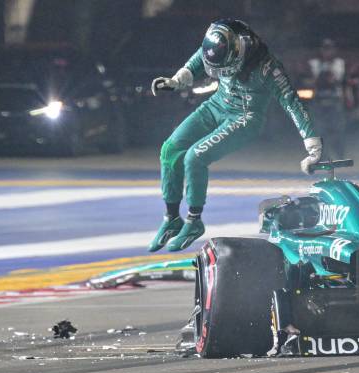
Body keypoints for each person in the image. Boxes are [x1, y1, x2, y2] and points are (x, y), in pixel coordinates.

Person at [148, 19, 321, 252]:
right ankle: (171, 218)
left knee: (194, 157)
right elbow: (200, 58)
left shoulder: (268, 67)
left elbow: (291, 102)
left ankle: (193, 220)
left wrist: (312, 146)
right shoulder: (221, 42)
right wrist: (176, 81)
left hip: (245, 117)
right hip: (216, 104)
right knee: (170, 149)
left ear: (239, 52)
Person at [307, 38, 347, 159]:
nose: (327, 52)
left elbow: (337, 79)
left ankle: (339, 155)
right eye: (325, 49)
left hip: (335, 101)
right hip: (319, 101)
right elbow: (311, 80)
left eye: (330, 49)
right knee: (319, 130)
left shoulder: (339, 63)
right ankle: (322, 156)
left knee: (337, 129)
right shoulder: (314, 63)